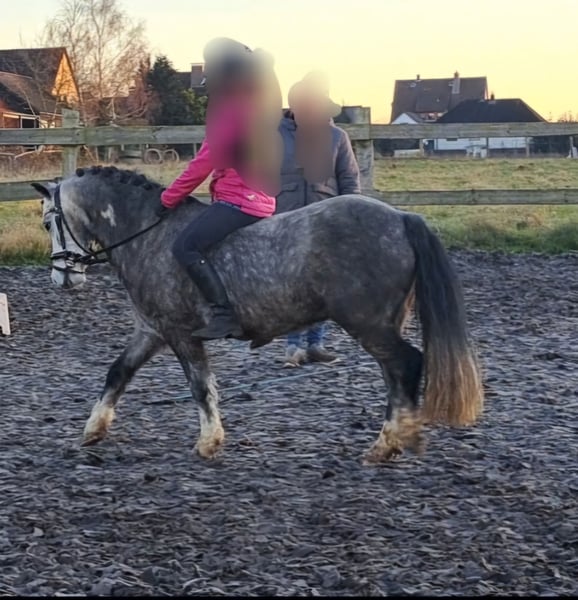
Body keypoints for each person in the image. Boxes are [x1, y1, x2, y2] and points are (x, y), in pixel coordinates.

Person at [160, 38, 283, 341]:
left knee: (185, 247)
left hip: (240, 199)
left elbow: (204, 162)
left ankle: (223, 315)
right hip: (259, 197)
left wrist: (168, 199)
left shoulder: (231, 109)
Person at [275, 72, 361, 368]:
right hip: (285, 217)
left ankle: (315, 343)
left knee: (323, 283)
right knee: (293, 283)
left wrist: (350, 215)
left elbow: (349, 179)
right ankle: (293, 344)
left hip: (324, 216)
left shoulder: (338, 138)